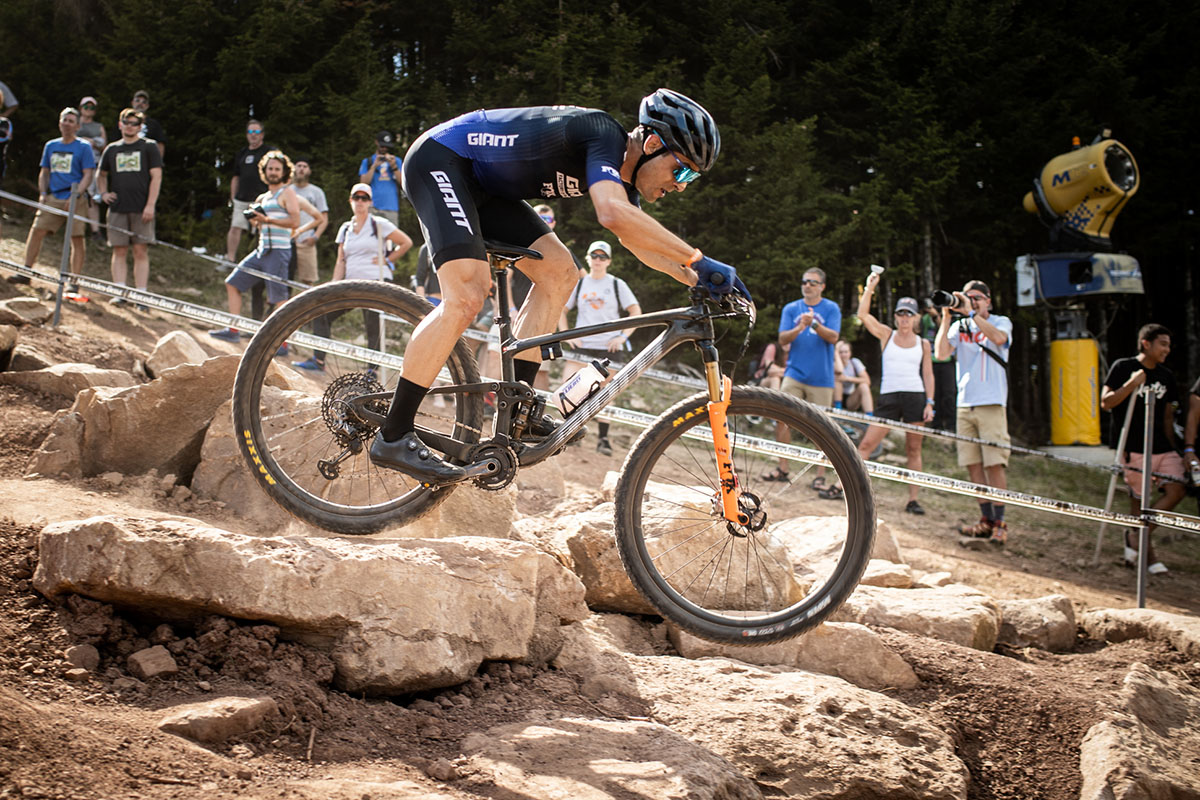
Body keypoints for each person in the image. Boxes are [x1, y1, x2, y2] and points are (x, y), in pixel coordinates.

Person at [368, 88, 736, 482]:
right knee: (467, 296)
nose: (681, 185)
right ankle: (394, 433)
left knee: (561, 272)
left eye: (690, 178)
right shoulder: (602, 134)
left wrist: (698, 278)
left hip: (484, 187)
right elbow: (611, 214)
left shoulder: (623, 179)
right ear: (652, 144)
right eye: (682, 170)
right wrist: (698, 259)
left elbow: (636, 241)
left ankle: (517, 414)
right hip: (441, 160)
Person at [291, 183, 413, 371]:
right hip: (351, 283)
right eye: (357, 197)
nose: (360, 202)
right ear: (351, 200)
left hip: (375, 282)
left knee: (372, 323)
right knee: (322, 314)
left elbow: (406, 242)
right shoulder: (346, 228)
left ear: (370, 202)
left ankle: (372, 371)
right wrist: (334, 285)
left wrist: (387, 259)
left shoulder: (379, 224)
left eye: (364, 198)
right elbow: (341, 259)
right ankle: (318, 361)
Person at [841, 275, 934, 514]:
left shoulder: (923, 343)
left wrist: (929, 402)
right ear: (895, 316)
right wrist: (870, 287)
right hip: (889, 397)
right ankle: (847, 489)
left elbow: (928, 374)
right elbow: (863, 315)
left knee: (913, 449)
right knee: (867, 444)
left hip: (915, 396)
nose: (904, 318)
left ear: (915, 318)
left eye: (909, 314)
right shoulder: (887, 335)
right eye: (901, 314)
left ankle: (913, 500)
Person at [1100, 324, 1185, 573]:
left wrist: (1175, 448)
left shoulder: (1166, 376)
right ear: (1146, 344)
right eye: (1163, 344)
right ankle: (1148, 555)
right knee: (1139, 500)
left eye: (1169, 345)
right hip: (1134, 444)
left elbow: (1168, 416)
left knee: (1177, 488)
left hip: (1161, 445)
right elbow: (1106, 402)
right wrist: (1131, 383)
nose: (1167, 350)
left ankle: (1136, 535)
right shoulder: (1123, 367)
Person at [935, 280, 1013, 545]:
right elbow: (941, 353)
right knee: (973, 464)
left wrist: (971, 312)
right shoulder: (960, 326)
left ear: (988, 301)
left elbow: (999, 339)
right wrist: (947, 317)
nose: (973, 301)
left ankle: (1000, 522)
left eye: (978, 297)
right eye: (968, 297)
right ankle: (985, 519)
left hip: (991, 401)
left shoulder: (1001, 322)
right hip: (965, 403)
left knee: (994, 463)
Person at [558, 240, 642, 456]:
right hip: (583, 345)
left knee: (605, 392)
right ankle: (571, 433)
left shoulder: (616, 284)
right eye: (594, 256)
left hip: (608, 349)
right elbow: (562, 309)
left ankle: (603, 439)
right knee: (569, 386)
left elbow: (635, 312)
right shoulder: (580, 284)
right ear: (588, 258)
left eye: (602, 256)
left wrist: (622, 337)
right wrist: (567, 335)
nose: (598, 260)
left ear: (609, 261)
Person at [209, 150, 301, 342]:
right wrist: (255, 221)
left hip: (279, 251)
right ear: (264, 171)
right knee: (232, 283)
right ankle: (233, 330)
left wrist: (266, 219)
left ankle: (283, 343)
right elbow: (260, 225)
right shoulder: (263, 198)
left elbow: (295, 221)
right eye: (270, 169)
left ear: (284, 172)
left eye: (277, 169)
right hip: (261, 250)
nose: (273, 172)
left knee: (279, 297)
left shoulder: (288, 193)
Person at [763, 267, 841, 487]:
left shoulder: (831, 308)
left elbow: (834, 337)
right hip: (795, 373)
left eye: (813, 282)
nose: (807, 285)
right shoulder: (791, 308)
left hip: (822, 377)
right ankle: (783, 468)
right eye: (805, 281)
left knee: (823, 428)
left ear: (822, 286)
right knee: (781, 415)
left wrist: (814, 323)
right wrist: (800, 326)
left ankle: (819, 475)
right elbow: (782, 339)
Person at [11, 108, 95, 286]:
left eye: (71, 121)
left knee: (76, 238)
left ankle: (74, 281)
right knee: (37, 230)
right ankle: (26, 271)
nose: (67, 124)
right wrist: (42, 193)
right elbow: (44, 171)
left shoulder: (83, 147)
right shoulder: (51, 145)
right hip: (53, 196)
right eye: (64, 120)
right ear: (59, 123)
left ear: (77, 126)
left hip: (75, 198)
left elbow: (88, 174)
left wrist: (75, 196)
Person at [97, 108, 162, 302]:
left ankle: (141, 295)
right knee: (119, 250)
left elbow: (157, 177)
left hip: (142, 208)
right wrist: (103, 193)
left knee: (140, 251)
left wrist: (150, 205)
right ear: (120, 124)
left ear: (140, 127)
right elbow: (101, 174)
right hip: (117, 208)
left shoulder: (149, 146)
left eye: (134, 123)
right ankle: (120, 293)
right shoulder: (112, 149)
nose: (130, 126)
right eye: (126, 122)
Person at [225, 120, 270, 262]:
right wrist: (233, 197)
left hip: (261, 199)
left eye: (256, 132)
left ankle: (260, 262)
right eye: (250, 132)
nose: (253, 135)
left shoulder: (268, 152)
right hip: (241, 199)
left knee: (261, 231)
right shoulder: (242, 153)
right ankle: (230, 259)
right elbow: (236, 177)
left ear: (262, 134)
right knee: (235, 227)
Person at [288, 157, 329, 287]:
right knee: (284, 278)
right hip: (287, 241)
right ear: (293, 169)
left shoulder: (316, 192)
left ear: (309, 171)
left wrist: (315, 237)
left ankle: (309, 300)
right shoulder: (287, 190)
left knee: (308, 281)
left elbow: (324, 218)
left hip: (306, 240)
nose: (301, 169)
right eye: (298, 166)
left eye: (304, 166)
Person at [920, 297, 956, 430]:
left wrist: (936, 317)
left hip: (946, 361)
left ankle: (952, 425)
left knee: (949, 394)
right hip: (930, 361)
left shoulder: (948, 318)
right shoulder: (924, 319)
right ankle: (936, 425)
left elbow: (944, 330)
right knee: (935, 394)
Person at [77, 96, 107, 242]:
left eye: (92, 108)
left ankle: (95, 232)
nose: (88, 110)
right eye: (86, 107)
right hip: (75, 165)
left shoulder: (98, 127)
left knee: (91, 198)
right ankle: (74, 227)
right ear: (80, 108)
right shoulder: (74, 123)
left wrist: (93, 143)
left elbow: (105, 148)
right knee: (74, 195)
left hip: (93, 165)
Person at [358, 131, 402, 226]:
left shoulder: (396, 161)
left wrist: (394, 167)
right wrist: (374, 166)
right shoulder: (368, 161)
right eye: (382, 146)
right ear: (376, 142)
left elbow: (402, 182)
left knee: (392, 235)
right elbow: (363, 183)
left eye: (387, 146)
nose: (384, 148)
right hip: (372, 207)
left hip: (391, 207)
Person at [833, 339, 872, 414]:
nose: (843, 355)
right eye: (840, 352)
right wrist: (836, 351)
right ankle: (838, 408)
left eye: (846, 352)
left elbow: (867, 380)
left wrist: (847, 378)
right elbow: (839, 370)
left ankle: (869, 415)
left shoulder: (854, 362)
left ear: (850, 353)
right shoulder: (833, 363)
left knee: (864, 386)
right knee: (838, 380)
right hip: (834, 398)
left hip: (850, 399)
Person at [129, 90, 165, 158]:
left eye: (144, 102)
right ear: (132, 103)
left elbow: (160, 145)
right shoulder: (125, 123)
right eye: (137, 101)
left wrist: (158, 162)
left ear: (147, 106)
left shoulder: (154, 124)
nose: (140, 104)